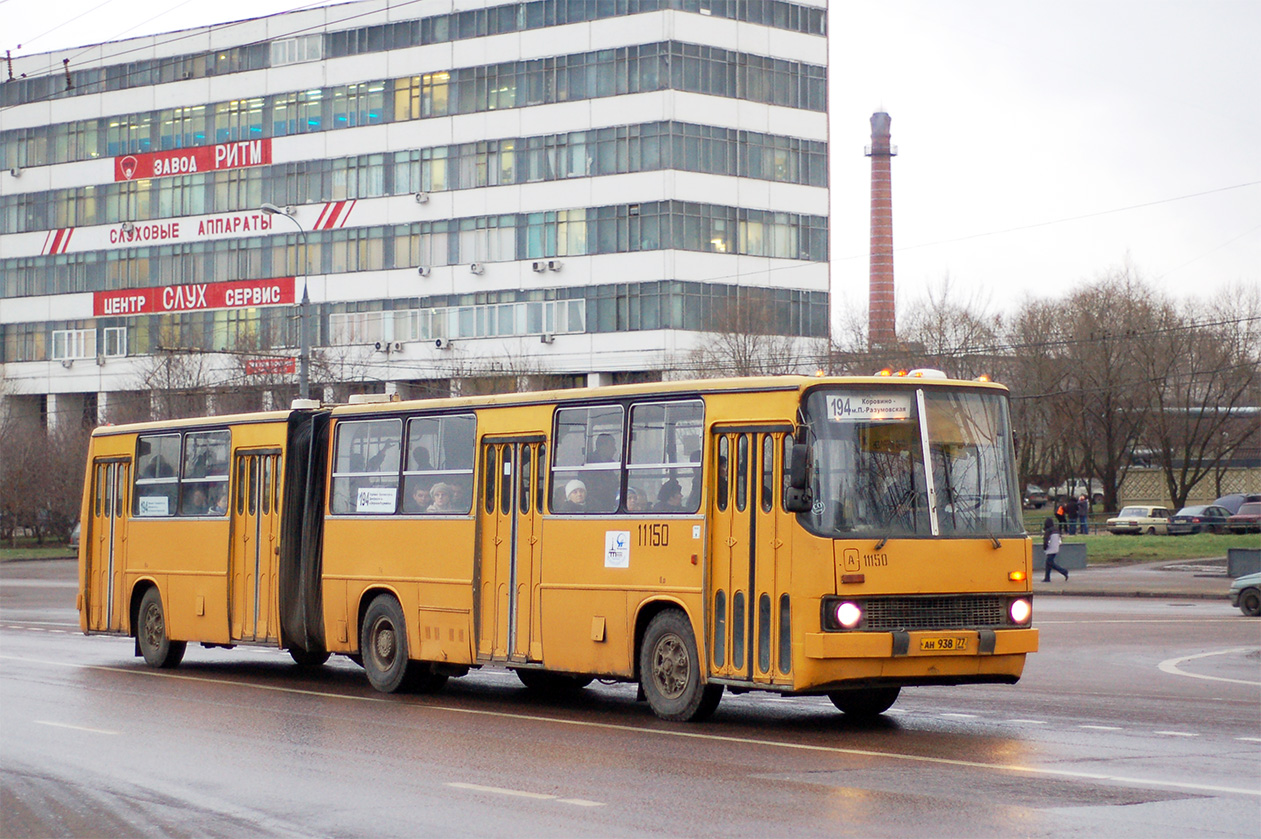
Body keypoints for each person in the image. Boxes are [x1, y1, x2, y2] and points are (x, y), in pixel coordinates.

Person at [1042, 517, 1069, 582]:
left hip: (1050, 549)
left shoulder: (1048, 531)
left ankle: (1064, 571)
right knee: (1048, 563)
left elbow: (1046, 541)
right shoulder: (1056, 530)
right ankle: (1047, 578)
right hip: (1056, 548)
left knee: (1050, 563)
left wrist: (1045, 547)